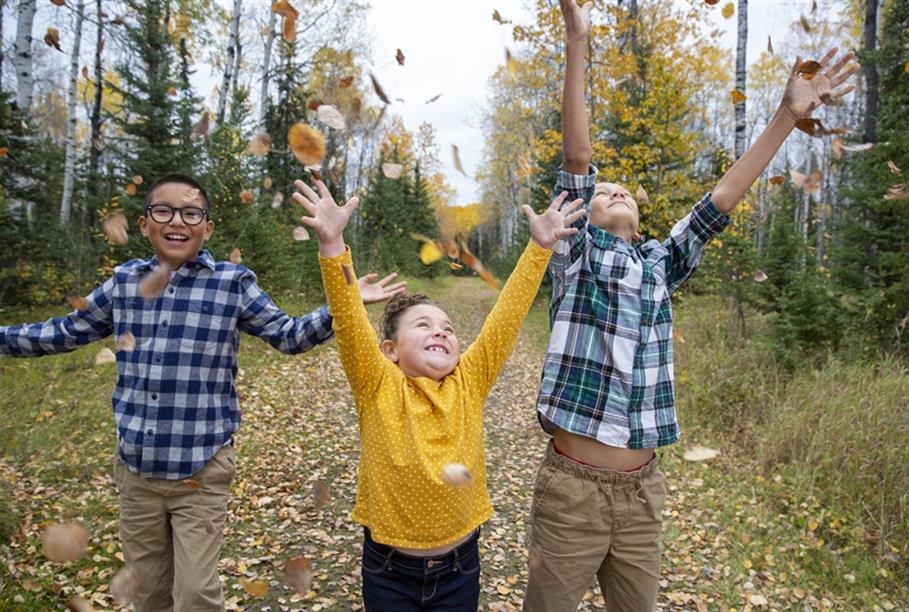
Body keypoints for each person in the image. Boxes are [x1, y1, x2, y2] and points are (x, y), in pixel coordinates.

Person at [524, 2, 860, 610]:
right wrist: (577, 41)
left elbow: (723, 197)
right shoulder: (574, 253)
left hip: (642, 494)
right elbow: (577, 158)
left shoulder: (659, 264)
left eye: (622, 188)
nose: (614, 187)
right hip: (572, 493)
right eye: (602, 189)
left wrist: (786, 115)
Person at [0, 173, 405, 611]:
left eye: (191, 212)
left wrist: (343, 301)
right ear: (144, 224)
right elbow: (61, 332)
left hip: (202, 470)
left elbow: (288, 336)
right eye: (163, 210)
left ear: (207, 227)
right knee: (149, 594)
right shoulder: (123, 284)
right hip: (137, 473)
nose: (178, 221)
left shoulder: (231, 283)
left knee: (195, 595)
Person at [292, 177, 584, 611]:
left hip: (459, 568)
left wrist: (539, 249)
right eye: (424, 325)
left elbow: (506, 318)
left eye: (448, 328)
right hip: (388, 569)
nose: (441, 332)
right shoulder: (377, 384)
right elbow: (350, 320)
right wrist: (332, 244)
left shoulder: (469, 381)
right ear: (389, 350)